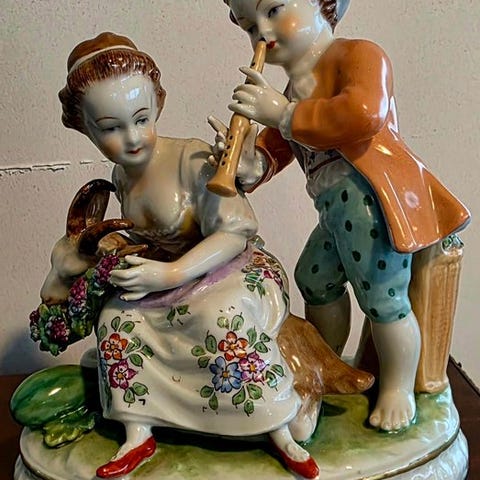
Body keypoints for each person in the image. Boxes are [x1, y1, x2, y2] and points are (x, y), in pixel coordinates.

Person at [56, 32, 322, 479]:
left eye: (141, 119)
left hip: (229, 268)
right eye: (111, 128)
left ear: (157, 105)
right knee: (117, 320)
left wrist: (171, 273)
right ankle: (138, 431)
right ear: (85, 127)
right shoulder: (121, 177)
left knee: (223, 318)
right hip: (170, 279)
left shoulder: (191, 158)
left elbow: (235, 231)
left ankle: (279, 427)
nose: (132, 138)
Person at [212, 0, 470, 433]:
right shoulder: (293, 89)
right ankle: (326, 365)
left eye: (274, 9)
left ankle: (399, 389)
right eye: (248, 25)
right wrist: (249, 165)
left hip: (372, 202)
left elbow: (362, 113)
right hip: (334, 209)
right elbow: (278, 148)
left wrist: (283, 114)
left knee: (383, 300)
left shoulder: (359, 55)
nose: (262, 32)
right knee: (314, 278)